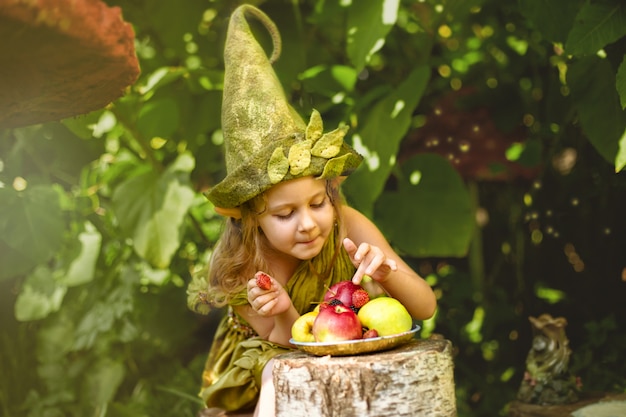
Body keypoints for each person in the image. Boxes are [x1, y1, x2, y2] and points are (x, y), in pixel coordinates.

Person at [192, 4, 437, 417]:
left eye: (318, 203)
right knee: (276, 374)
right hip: (262, 372)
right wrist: (285, 308)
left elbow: (425, 307)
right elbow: (289, 349)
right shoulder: (240, 264)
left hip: (337, 353)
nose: (307, 224)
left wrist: (386, 273)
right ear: (251, 219)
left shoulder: (348, 223)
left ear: (332, 192)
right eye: (284, 215)